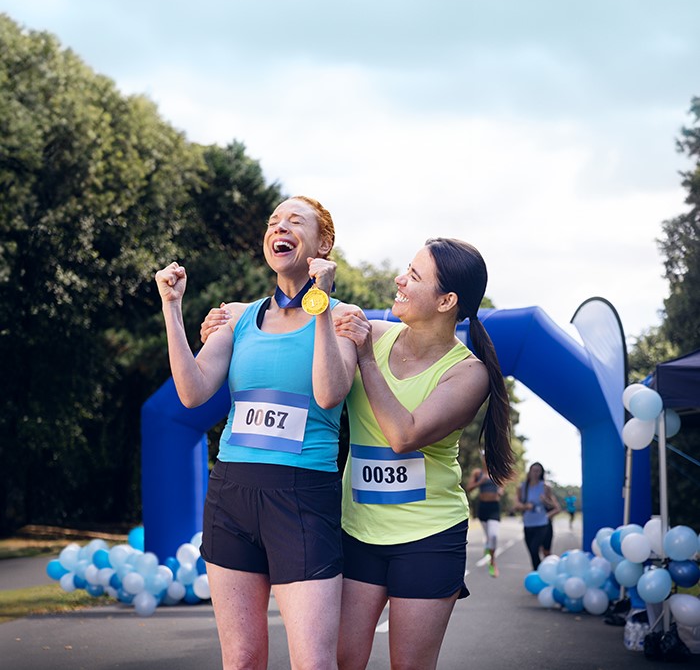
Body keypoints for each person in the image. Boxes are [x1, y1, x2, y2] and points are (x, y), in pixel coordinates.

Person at [156, 195, 358, 670]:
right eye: (272, 222)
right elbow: (192, 392)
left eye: (293, 221)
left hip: (303, 496)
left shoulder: (346, 317)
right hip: (232, 494)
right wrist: (172, 306)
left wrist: (322, 304)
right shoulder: (238, 316)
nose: (278, 228)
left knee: (312, 662)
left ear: (323, 242)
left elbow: (330, 394)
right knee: (242, 660)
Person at [333, 238, 515, 670]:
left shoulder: (468, 374)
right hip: (356, 530)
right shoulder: (374, 333)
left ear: (446, 300)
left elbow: (403, 434)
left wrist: (365, 360)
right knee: (343, 659)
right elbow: (306, 311)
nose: (399, 279)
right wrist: (232, 316)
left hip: (427, 538)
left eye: (414, 276)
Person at [514, 462, 560, 570]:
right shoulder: (522, 487)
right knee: (532, 552)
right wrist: (525, 507)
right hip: (528, 524)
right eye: (533, 470)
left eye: (538, 471)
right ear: (529, 471)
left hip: (542, 524)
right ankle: (538, 574)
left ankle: (544, 573)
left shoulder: (545, 487)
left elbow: (556, 507)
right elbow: (516, 505)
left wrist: (546, 503)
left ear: (541, 473)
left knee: (537, 550)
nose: (535, 473)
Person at [466, 452, 504, 577]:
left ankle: (493, 561)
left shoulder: (497, 472)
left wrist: (500, 490)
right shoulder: (478, 473)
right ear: (482, 459)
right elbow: (469, 488)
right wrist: (480, 482)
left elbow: (502, 486)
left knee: (493, 535)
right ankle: (488, 546)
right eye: (484, 457)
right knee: (488, 535)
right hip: (483, 507)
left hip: (494, 507)